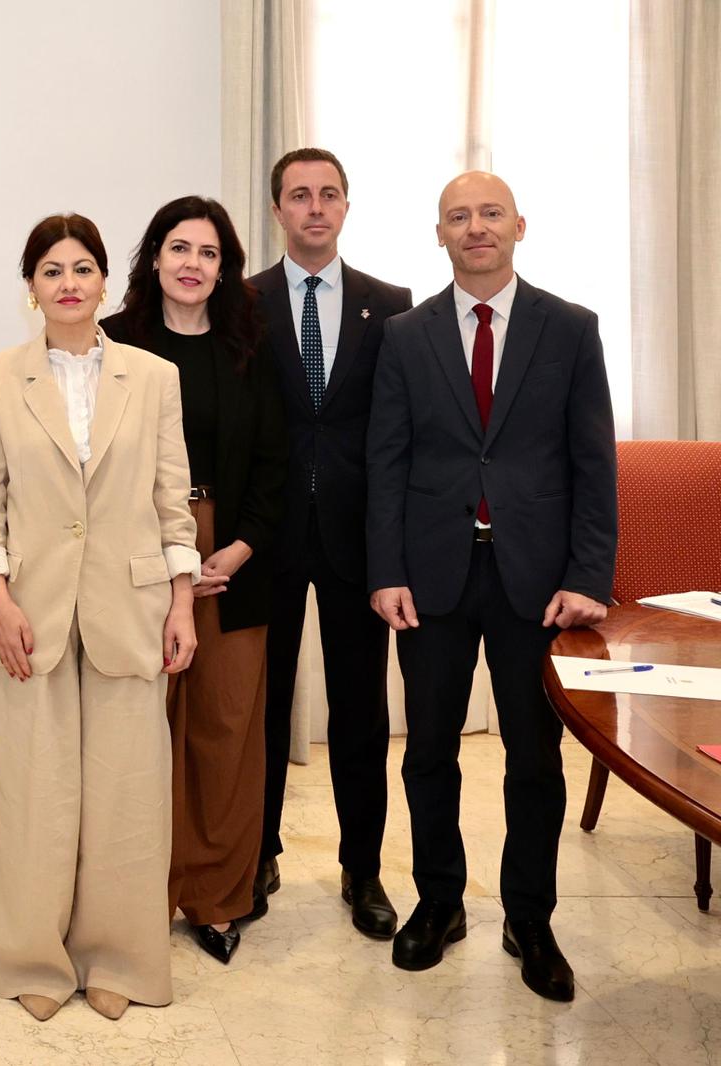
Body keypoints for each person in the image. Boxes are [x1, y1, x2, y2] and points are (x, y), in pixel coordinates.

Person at [366, 171, 616, 1002]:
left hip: (536, 583)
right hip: (431, 577)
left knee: (534, 758)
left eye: (490, 214)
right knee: (429, 752)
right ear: (439, 233)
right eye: (459, 217)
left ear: (519, 226)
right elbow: (387, 463)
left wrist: (588, 577)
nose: (476, 228)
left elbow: (593, 464)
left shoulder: (571, 329)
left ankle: (529, 918)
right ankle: (439, 902)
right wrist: (385, 571)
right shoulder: (406, 336)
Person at [0, 214, 199, 1023]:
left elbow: (176, 504)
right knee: (32, 793)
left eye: (84, 268)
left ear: (106, 283)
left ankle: (121, 959)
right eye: (51, 270)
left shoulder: (155, 376)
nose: (68, 283)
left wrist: (181, 603)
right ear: (30, 289)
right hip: (27, 611)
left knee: (127, 796)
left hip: (130, 609)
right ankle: (30, 956)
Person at [103, 196, 286, 964]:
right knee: (139, 733)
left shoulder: (253, 345)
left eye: (208, 253)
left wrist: (235, 549)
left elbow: (280, 461)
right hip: (137, 558)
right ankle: (136, 893)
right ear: (153, 256)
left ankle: (217, 897)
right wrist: (167, 560)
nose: (191, 265)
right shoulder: (112, 343)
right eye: (178, 248)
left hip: (232, 559)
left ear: (225, 268)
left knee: (225, 731)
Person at [249, 148, 412, 937]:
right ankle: (257, 853)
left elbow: (399, 435)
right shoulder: (241, 302)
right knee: (262, 708)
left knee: (360, 713)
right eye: (299, 195)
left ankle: (364, 868)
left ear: (346, 207)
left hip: (358, 542)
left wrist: (396, 548)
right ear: (277, 209)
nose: (315, 208)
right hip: (267, 537)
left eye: (329, 195)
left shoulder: (392, 305)